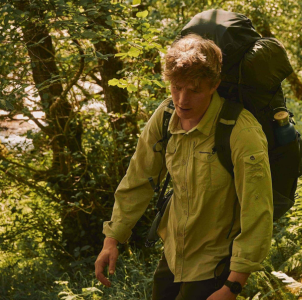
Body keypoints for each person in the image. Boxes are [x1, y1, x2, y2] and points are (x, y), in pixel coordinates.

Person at [95, 33, 273, 300]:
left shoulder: (240, 131)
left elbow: (257, 211)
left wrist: (233, 286)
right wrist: (112, 239)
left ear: (214, 85)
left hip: (216, 265)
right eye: (176, 87)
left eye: (194, 89)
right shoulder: (166, 115)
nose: (182, 100)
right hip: (173, 256)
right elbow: (138, 178)